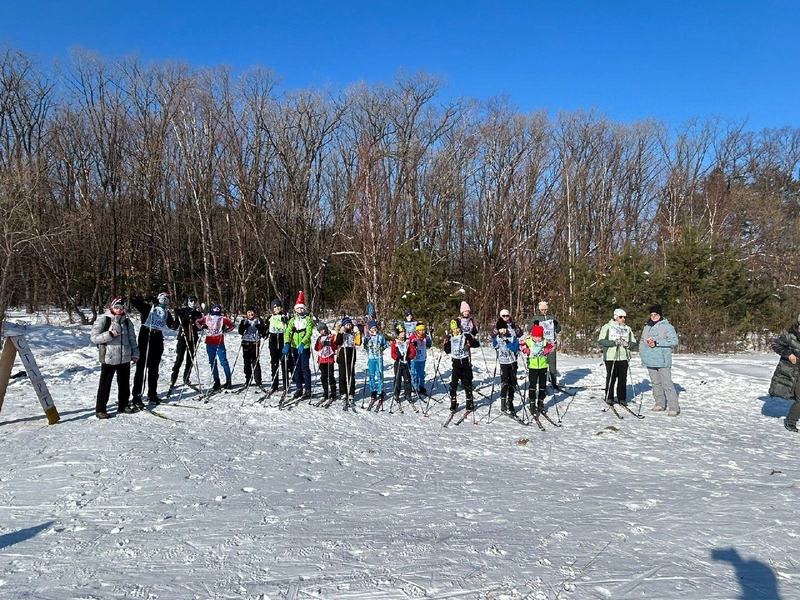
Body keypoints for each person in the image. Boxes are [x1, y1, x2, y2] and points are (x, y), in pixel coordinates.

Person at [90, 297, 139, 418]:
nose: (119, 310)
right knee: (105, 385)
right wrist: (110, 334)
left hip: (125, 358)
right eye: (117, 307)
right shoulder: (104, 320)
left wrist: (135, 354)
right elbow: (94, 337)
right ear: (112, 307)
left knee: (124, 384)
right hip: (109, 358)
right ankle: (100, 409)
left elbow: (132, 339)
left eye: (122, 307)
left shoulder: (127, 322)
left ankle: (123, 405)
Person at [131, 292, 176, 407]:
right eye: (162, 299)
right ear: (158, 299)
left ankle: (152, 394)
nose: (164, 302)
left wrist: (180, 315)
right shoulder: (149, 308)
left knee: (154, 368)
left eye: (167, 300)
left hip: (157, 338)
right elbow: (134, 301)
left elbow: (173, 326)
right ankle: (137, 396)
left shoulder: (166, 312)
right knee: (141, 368)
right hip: (146, 336)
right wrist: (145, 299)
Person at [639, 304, 681, 416]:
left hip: (662, 360)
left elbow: (674, 341)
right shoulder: (647, 326)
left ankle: (674, 407)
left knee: (667, 383)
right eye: (652, 315)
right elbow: (642, 341)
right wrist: (642, 353)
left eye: (656, 314)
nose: (653, 317)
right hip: (650, 359)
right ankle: (659, 404)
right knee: (655, 383)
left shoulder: (667, 326)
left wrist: (657, 343)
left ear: (660, 315)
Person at [768, 314, 800, 432]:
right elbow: (776, 345)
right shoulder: (789, 336)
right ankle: (791, 422)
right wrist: (788, 354)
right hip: (793, 371)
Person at [598, 308, 636, 406]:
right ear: (615, 317)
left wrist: (627, 344)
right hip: (611, 356)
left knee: (623, 378)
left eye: (624, 317)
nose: (623, 319)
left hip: (623, 356)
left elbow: (633, 342)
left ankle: (622, 398)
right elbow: (601, 340)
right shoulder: (607, 327)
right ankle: (609, 397)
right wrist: (613, 343)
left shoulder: (627, 328)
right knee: (611, 377)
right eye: (621, 317)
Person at [443, 318, 480, 414]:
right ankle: (453, 402)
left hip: (465, 363)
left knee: (467, 383)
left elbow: (477, 344)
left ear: (460, 327)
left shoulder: (465, 335)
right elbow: (447, 351)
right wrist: (446, 343)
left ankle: (469, 402)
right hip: (456, 363)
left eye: (457, 328)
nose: (456, 330)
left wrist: (470, 344)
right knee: (453, 383)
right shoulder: (450, 337)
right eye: (454, 329)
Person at [196, 304, 234, 391]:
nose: (216, 310)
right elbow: (197, 322)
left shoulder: (222, 318)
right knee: (212, 363)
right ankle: (216, 380)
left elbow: (232, 325)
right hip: (209, 343)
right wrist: (202, 327)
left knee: (224, 362)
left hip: (220, 342)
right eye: (215, 309)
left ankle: (228, 380)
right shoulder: (207, 317)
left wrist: (226, 330)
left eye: (218, 309)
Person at [284, 291, 313, 400]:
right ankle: (299, 388)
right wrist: (287, 343)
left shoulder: (308, 320)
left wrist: (303, 343)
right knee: (296, 367)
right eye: (298, 308)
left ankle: (308, 389)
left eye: (302, 308)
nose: (300, 310)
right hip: (294, 346)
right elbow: (288, 332)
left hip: (303, 347)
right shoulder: (293, 320)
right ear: (295, 309)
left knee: (305, 367)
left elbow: (309, 332)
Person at [169, 295, 203, 391]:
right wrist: (177, 315)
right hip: (183, 338)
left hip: (192, 338)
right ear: (188, 302)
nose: (193, 303)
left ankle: (186, 377)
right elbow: (175, 326)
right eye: (191, 301)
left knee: (190, 359)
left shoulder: (198, 313)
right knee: (179, 359)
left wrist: (194, 321)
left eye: (195, 302)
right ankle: (173, 379)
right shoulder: (183, 311)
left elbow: (199, 327)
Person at [522, 325, 555, 415]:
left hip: (543, 366)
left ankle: (540, 402)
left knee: (542, 385)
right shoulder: (529, 341)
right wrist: (525, 350)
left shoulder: (544, 341)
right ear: (532, 336)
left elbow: (552, 346)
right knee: (532, 385)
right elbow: (521, 345)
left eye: (539, 337)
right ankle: (532, 403)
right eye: (535, 336)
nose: (537, 339)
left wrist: (547, 350)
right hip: (532, 366)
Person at [531, 301, 562, 390]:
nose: (544, 311)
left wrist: (556, 325)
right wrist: (535, 324)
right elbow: (529, 328)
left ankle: (554, 382)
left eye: (545, 309)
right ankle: (541, 383)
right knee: (542, 364)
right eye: (542, 309)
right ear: (539, 309)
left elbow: (558, 330)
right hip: (540, 345)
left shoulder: (551, 317)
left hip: (551, 343)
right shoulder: (536, 317)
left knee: (552, 364)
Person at [493, 317, 521, 414]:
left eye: (504, 328)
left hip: (512, 362)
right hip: (503, 363)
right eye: (500, 329)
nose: (503, 330)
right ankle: (503, 402)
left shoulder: (512, 337)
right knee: (505, 382)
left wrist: (508, 342)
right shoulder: (497, 337)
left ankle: (510, 401)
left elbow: (515, 348)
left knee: (512, 382)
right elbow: (494, 344)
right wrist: (496, 342)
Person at [238, 306, 267, 388]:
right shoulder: (244, 321)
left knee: (255, 362)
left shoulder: (258, 320)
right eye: (248, 312)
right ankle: (248, 379)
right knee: (247, 363)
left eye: (252, 312)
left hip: (255, 343)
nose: (250, 314)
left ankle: (258, 381)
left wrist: (260, 328)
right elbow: (240, 331)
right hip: (246, 343)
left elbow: (264, 332)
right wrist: (244, 327)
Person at [266, 298, 290, 394]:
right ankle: (274, 384)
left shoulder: (285, 316)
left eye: (279, 306)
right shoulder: (270, 317)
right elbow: (266, 328)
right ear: (272, 308)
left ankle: (285, 384)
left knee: (284, 363)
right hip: (273, 342)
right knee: (274, 363)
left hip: (282, 341)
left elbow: (290, 327)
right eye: (275, 307)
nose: (277, 308)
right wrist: (263, 331)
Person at [335, 316, 361, 402]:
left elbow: (358, 342)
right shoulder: (340, 332)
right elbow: (337, 342)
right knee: (342, 375)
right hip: (342, 355)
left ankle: (351, 392)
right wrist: (340, 333)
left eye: (350, 324)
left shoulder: (352, 333)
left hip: (351, 355)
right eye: (347, 325)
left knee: (350, 375)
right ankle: (343, 392)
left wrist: (358, 334)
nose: (348, 326)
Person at [363, 320, 387, 410]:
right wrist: (367, 345)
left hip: (379, 358)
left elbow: (385, 345)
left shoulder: (380, 337)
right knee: (371, 375)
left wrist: (382, 347)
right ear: (369, 329)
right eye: (372, 328)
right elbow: (365, 346)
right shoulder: (367, 337)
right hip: (371, 358)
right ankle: (373, 391)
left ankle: (380, 391)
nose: (374, 329)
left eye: (375, 328)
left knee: (380, 374)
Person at [391, 324, 417, 408]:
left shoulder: (408, 341)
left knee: (407, 379)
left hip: (406, 363)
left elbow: (413, 351)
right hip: (398, 363)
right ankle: (396, 394)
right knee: (397, 379)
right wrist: (396, 357)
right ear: (398, 333)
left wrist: (410, 357)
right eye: (401, 332)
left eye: (404, 332)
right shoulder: (395, 342)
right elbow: (393, 353)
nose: (403, 334)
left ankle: (408, 394)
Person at [314, 322, 338, 404]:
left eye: (322, 330)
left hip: (329, 359)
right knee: (323, 376)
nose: (321, 332)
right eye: (320, 331)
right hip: (321, 360)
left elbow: (335, 347)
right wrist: (320, 344)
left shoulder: (331, 337)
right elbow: (316, 348)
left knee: (330, 376)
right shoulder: (319, 338)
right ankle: (325, 392)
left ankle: (333, 391)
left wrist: (331, 342)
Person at [411, 323, 433, 395]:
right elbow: (409, 344)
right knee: (414, 373)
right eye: (420, 330)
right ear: (417, 330)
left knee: (421, 373)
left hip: (422, 358)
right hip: (414, 359)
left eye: (423, 330)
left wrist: (429, 343)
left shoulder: (426, 337)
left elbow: (430, 344)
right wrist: (413, 344)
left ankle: (421, 386)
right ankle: (414, 386)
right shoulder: (413, 337)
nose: (422, 332)